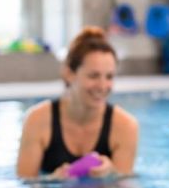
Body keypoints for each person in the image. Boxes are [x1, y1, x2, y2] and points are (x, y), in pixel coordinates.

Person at [17, 26, 139, 179]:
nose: (102, 86)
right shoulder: (37, 120)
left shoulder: (125, 126)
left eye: (109, 77)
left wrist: (112, 174)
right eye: (94, 76)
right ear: (69, 74)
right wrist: (53, 181)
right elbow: (25, 185)